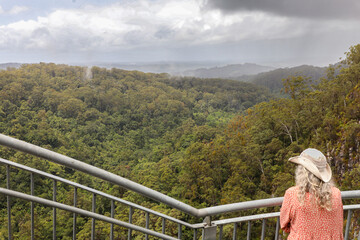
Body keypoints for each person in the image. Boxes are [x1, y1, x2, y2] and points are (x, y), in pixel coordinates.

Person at [280, 148, 343, 239]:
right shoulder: (336, 194)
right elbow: (338, 224)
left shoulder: (292, 194)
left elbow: (284, 225)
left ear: (302, 172)